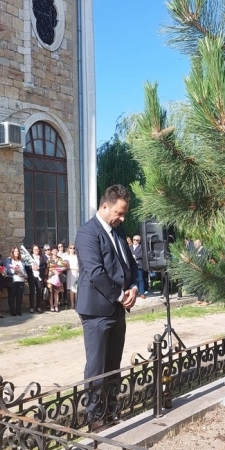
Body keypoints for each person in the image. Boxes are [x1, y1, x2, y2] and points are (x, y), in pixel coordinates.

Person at [75, 184, 140, 429]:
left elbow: (130, 265)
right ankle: (95, 417)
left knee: (113, 363)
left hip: (117, 308)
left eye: (124, 214)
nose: (122, 218)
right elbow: (95, 272)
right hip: (96, 310)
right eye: (119, 213)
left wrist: (134, 286)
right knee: (96, 366)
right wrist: (120, 295)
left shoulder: (118, 232)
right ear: (105, 206)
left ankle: (112, 410)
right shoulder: (87, 233)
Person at [5, 246, 26, 316]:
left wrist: (25, 274)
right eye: (15, 251)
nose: (17, 253)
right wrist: (14, 271)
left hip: (21, 280)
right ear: (12, 252)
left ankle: (18, 310)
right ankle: (12, 311)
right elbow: (6, 269)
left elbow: (24, 269)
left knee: (19, 296)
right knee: (12, 296)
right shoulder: (9, 259)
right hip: (13, 280)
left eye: (18, 251)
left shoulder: (21, 261)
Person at [26, 244, 46, 313]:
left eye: (37, 249)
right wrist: (31, 267)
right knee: (31, 291)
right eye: (35, 249)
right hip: (32, 276)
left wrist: (39, 268)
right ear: (32, 250)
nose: (36, 251)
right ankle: (31, 307)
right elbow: (26, 267)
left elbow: (44, 267)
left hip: (39, 277)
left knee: (39, 291)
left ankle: (38, 306)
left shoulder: (41, 257)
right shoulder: (30, 257)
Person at [46, 247, 66, 312]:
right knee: (51, 292)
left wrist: (59, 271)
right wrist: (45, 277)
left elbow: (63, 267)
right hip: (50, 278)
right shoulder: (49, 259)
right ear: (51, 252)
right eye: (54, 251)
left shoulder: (60, 259)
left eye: (56, 251)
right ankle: (51, 306)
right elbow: (47, 268)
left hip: (57, 277)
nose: (55, 252)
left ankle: (56, 306)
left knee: (56, 292)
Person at [131, 234, 147, 299]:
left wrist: (136, 257)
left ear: (139, 241)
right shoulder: (130, 247)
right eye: (134, 240)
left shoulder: (141, 247)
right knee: (133, 279)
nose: (135, 241)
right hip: (132, 266)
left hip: (139, 265)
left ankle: (142, 293)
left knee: (140, 279)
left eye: (136, 240)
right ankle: (134, 292)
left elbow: (143, 255)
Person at [65, 243, 79, 310]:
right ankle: (72, 304)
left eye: (73, 248)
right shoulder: (67, 257)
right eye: (71, 248)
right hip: (70, 273)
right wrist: (73, 268)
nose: (72, 249)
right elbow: (66, 267)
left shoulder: (77, 256)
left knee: (76, 289)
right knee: (71, 289)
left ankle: (77, 304)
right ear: (68, 249)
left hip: (77, 274)